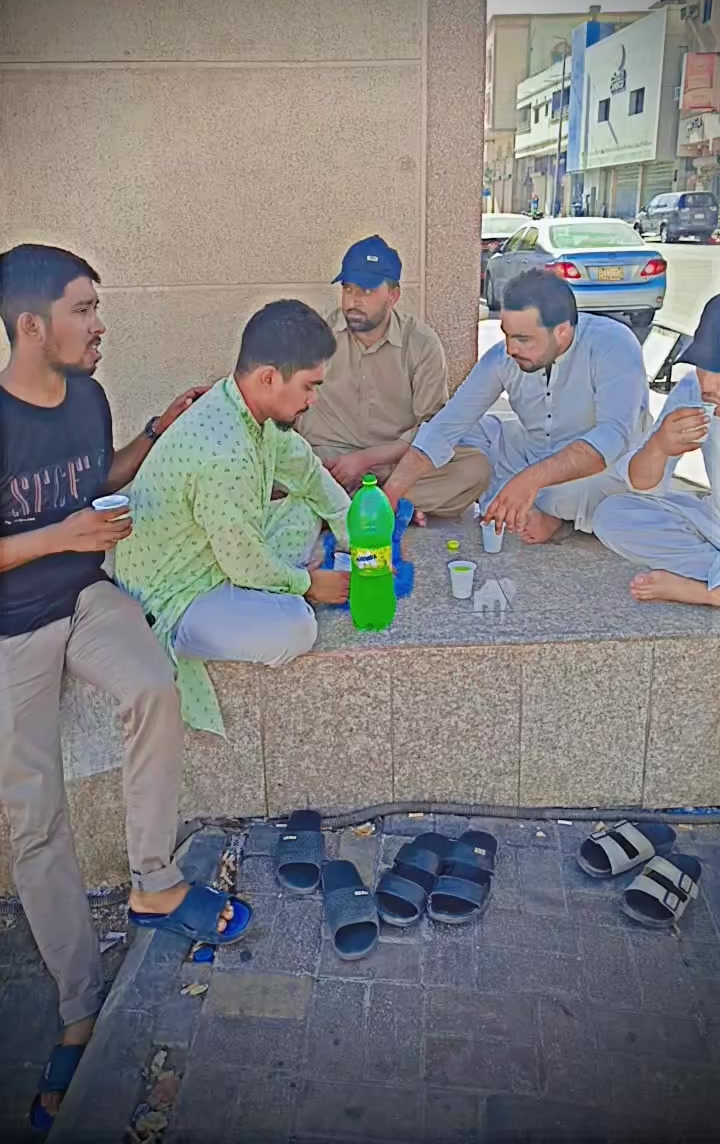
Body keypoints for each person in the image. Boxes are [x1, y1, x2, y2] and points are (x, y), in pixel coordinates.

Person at [0, 244, 249, 1128]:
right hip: (11, 629)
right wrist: (58, 537)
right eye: (83, 310)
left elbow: (94, 479)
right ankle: (77, 1004)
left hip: (84, 597)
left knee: (153, 685)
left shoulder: (88, 396)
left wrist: (154, 433)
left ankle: (154, 881)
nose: (99, 326)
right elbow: (55, 522)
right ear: (32, 326)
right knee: (34, 813)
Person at [116, 299, 351, 735]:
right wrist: (308, 584)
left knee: (307, 506)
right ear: (269, 377)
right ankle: (262, 599)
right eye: (308, 386)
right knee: (296, 628)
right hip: (175, 598)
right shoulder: (224, 454)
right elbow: (242, 563)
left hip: (217, 554)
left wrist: (355, 531)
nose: (313, 400)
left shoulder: (246, 407)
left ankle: (272, 588)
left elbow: (307, 472)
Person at [384, 269, 650, 543]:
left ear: (562, 331)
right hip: (533, 452)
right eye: (507, 335)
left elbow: (612, 438)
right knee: (467, 434)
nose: (511, 348)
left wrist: (530, 480)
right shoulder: (504, 357)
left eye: (523, 339)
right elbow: (446, 426)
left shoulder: (612, 345)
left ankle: (551, 516)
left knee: (598, 497)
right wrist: (391, 494)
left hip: (604, 467)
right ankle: (524, 508)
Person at [297, 235, 489, 522]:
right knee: (277, 467)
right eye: (348, 289)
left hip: (394, 464)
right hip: (330, 462)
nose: (353, 300)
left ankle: (347, 508)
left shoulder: (421, 343)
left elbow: (432, 429)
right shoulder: (316, 335)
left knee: (475, 469)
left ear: (393, 296)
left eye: (367, 290)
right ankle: (386, 508)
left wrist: (366, 459)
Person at [593, 294, 720, 606]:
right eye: (703, 367)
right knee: (612, 515)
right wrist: (659, 447)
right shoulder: (694, 390)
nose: (709, 383)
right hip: (715, 521)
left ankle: (705, 592)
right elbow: (642, 485)